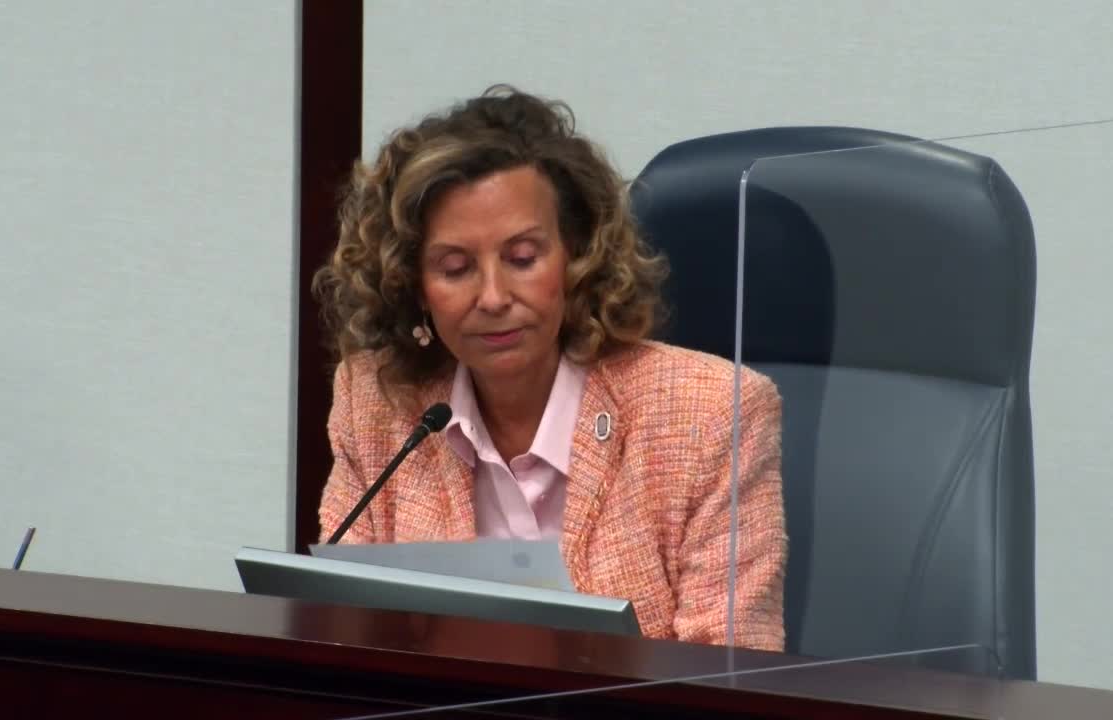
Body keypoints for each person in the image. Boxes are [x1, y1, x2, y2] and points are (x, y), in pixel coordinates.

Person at [312, 86, 786, 650]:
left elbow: (727, 675)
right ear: (413, 285)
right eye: (455, 268)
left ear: (577, 257)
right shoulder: (376, 403)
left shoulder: (708, 414)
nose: (493, 297)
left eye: (522, 259)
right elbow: (343, 637)